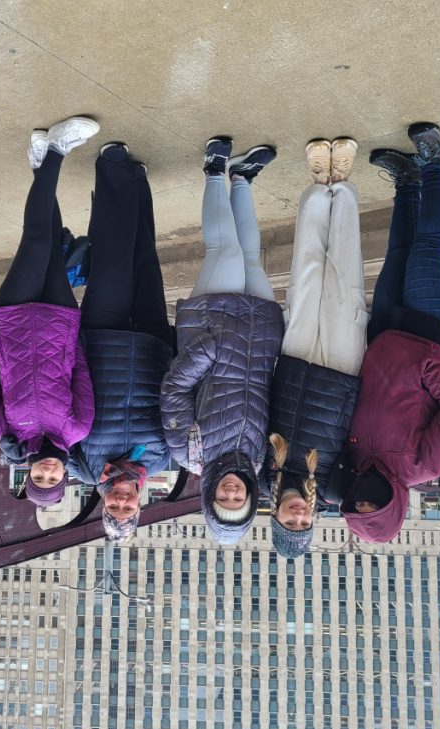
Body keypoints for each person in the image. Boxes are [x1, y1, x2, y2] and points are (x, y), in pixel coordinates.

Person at [341, 122, 440, 543]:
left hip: (386, 333)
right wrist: (427, 370)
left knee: (398, 252)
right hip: (434, 339)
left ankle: (406, 181)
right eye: (373, 505)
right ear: (393, 506)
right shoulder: (424, 466)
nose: (364, 498)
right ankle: (434, 162)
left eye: (357, 504)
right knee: (427, 250)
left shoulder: (354, 458)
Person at [161, 137, 285, 545]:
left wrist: (213, 347)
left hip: (210, 331)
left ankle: (215, 169)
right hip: (259, 338)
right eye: (239, 500)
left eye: (223, 499)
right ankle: (244, 178)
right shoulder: (261, 459)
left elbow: (176, 387)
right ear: (251, 498)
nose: (232, 492)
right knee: (250, 256)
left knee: (223, 250)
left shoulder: (189, 453)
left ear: (209, 495)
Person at [0, 115, 99, 508]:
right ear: (65, 474)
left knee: (35, 239)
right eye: (53, 478)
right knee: (50, 245)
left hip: (12, 318)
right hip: (60, 320)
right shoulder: (77, 428)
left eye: (39, 478)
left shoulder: (9, 432)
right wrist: (68, 339)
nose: (47, 472)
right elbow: (81, 370)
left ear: (28, 472)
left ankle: (57, 151)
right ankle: (40, 163)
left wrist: (1, 347)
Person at [65, 142, 175, 541]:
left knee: (112, 260)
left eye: (113, 508)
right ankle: (137, 180)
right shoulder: (162, 459)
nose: (121, 502)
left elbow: (54, 432)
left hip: (100, 341)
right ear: (139, 506)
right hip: (151, 345)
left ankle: (112, 167)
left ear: (104, 503)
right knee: (145, 255)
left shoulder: (82, 465)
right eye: (127, 509)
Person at [267, 137, 368, 559]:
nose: (297, 517)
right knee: (346, 276)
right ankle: (342, 183)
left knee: (305, 274)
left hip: (292, 364)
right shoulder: (330, 487)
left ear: (274, 515)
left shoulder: (260, 473)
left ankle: (317, 181)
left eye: (288, 523)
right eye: (303, 524)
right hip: (343, 371)